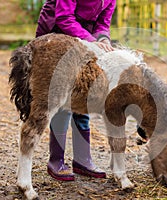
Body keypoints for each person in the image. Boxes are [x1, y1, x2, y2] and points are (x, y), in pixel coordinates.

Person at [35, 0, 116, 181]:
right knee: (63, 99)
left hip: (85, 38)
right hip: (58, 33)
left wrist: (103, 39)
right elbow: (64, 17)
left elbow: (103, 23)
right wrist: (91, 41)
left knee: (84, 93)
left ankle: (82, 159)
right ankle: (56, 160)